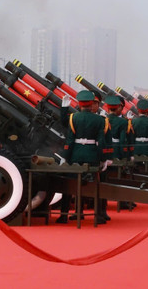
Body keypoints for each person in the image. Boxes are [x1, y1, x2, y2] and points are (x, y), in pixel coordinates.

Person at [56, 90, 111, 225]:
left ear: (79, 103)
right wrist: (104, 158)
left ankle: (64, 215)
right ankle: (98, 216)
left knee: (69, 186)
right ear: (92, 103)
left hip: (76, 155)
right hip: (93, 156)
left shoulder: (73, 118)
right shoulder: (100, 120)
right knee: (95, 186)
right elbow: (101, 142)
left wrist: (65, 157)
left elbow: (69, 140)